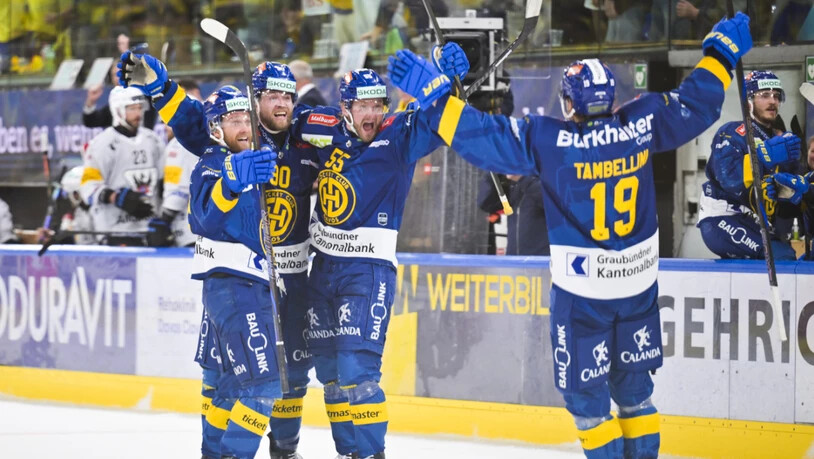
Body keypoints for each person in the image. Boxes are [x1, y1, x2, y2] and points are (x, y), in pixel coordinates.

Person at [387, 12, 751, 459]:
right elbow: (696, 105)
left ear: (568, 104)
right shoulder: (642, 122)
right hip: (637, 289)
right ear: (611, 98)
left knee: (589, 408)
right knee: (636, 396)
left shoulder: (550, 141)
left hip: (583, 298)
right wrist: (720, 56)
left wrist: (435, 97)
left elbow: (484, 137)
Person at [119, 52, 325, 459]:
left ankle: (279, 449)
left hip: (280, 278)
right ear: (256, 100)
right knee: (227, 380)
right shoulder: (222, 152)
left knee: (279, 377)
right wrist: (163, 90)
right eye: (271, 96)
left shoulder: (303, 134)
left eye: (288, 95)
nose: (280, 104)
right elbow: (197, 131)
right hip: (238, 282)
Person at [284, 43, 469, 459]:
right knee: (330, 374)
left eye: (378, 105)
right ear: (345, 108)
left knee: (358, 373)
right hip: (322, 269)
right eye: (363, 106)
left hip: (367, 273)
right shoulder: (323, 125)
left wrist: (450, 82)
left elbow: (442, 120)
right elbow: (284, 124)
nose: (372, 114)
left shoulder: (399, 135)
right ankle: (349, 452)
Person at [697, 70, 802, 260]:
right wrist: (763, 156)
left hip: (753, 220)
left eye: (776, 96)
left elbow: (782, 193)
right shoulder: (732, 132)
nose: (773, 101)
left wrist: (794, 187)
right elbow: (728, 178)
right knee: (779, 256)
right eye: (765, 95)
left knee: (788, 255)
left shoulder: (778, 141)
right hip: (722, 217)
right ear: (749, 101)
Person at [78, 85, 163, 246]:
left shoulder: (153, 140)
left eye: (140, 108)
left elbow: (163, 180)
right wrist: (115, 197)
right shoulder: (101, 144)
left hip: (149, 229)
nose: (138, 114)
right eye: (132, 108)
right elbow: (88, 186)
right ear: (117, 110)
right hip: (115, 230)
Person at [146, 80, 202, 248]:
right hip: (206, 227)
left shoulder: (179, 144)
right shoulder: (208, 140)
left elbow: (178, 190)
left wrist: (164, 220)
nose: (165, 126)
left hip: (187, 229)